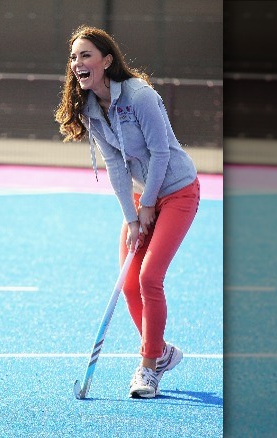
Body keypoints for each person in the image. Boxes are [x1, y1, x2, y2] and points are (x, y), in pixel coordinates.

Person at [55, 25, 200, 398]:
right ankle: (163, 352)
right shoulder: (89, 107)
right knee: (128, 282)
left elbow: (163, 153)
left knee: (150, 277)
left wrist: (150, 203)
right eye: (74, 57)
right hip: (142, 198)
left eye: (85, 55)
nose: (78, 63)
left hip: (177, 191)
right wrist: (134, 216)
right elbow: (116, 166)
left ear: (106, 60)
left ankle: (148, 368)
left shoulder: (141, 96)